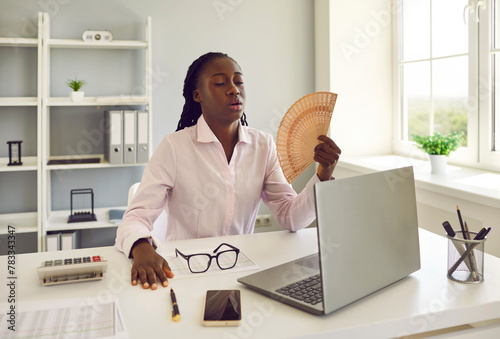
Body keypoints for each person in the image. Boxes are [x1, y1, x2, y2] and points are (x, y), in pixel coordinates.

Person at [115, 52, 341, 290]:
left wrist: (323, 174)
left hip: (241, 270)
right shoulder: (174, 147)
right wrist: (141, 248)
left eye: (239, 81)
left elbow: (291, 217)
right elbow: (135, 218)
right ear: (197, 95)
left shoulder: (262, 145)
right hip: (185, 272)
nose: (234, 89)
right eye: (221, 83)